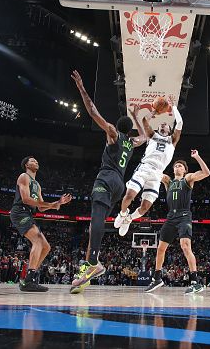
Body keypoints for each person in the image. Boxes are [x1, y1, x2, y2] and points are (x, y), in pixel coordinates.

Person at [69, 70, 146, 294]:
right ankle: (86, 273)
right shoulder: (132, 142)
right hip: (119, 184)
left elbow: (92, 112)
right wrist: (137, 117)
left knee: (96, 219)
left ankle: (94, 262)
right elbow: (143, 137)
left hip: (106, 177)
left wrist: (82, 88)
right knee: (97, 223)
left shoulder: (113, 133)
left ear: (115, 127)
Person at [114, 97, 184, 236]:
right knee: (129, 196)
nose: (163, 124)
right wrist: (154, 111)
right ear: (158, 129)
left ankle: (129, 219)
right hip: (145, 168)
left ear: (169, 129)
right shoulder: (152, 135)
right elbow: (145, 121)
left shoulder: (173, 140)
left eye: (166, 125)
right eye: (161, 124)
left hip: (157, 174)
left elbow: (180, 122)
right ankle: (122, 214)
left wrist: (174, 107)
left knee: (145, 208)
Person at [144, 150, 210, 294]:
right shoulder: (168, 180)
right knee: (160, 249)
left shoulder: (188, 179)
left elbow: (206, 172)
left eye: (180, 166)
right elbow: (153, 173)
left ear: (185, 170)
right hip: (170, 217)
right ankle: (157, 279)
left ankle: (195, 282)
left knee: (185, 246)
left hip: (184, 216)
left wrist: (197, 156)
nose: (177, 167)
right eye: (175, 166)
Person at [10, 156, 72, 292]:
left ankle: (28, 279)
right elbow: (26, 199)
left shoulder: (36, 184)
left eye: (37, 161)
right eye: (32, 161)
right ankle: (30, 280)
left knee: (46, 247)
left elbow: (41, 207)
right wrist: (51, 204)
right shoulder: (23, 177)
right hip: (19, 212)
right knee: (37, 240)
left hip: (28, 214)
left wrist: (57, 203)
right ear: (26, 165)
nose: (36, 162)